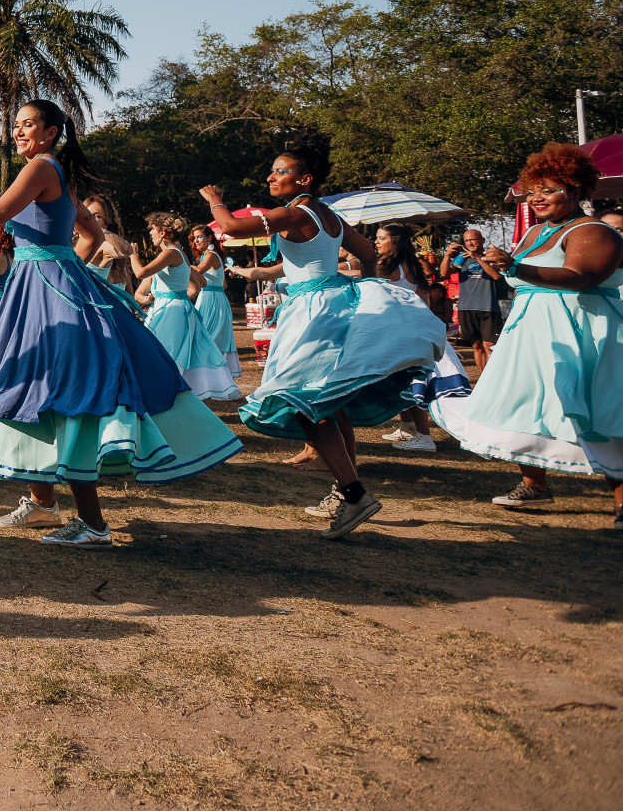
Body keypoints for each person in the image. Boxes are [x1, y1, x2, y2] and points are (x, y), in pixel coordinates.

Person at [0, 102, 239, 545]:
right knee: (35, 383)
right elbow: (89, 235)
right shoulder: (59, 174)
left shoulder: (42, 167)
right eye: (15, 126)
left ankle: (92, 524)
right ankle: (44, 503)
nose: (17, 132)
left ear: (51, 132)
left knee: (63, 388)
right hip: (45, 285)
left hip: (47, 290)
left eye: (27, 124)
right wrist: (71, 268)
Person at [202, 135, 448, 539]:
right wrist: (363, 296)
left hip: (313, 311)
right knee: (329, 402)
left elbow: (229, 227)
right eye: (273, 170)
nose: (272, 177)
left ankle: (354, 495)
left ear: (305, 179)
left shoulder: (295, 212)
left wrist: (214, 199)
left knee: (300, 400)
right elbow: (368, 253)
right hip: (332, 302)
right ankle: (343, 488)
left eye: (281, 171)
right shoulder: (327, 213)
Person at [434, 145, 623, 519]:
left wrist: (518, 268)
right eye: (533, 190)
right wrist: (500, 265)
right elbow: (512, 275)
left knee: (591, 410)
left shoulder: (594, 230)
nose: (537, 197)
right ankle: (534, 485)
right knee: (521, 404)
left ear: (575, 189)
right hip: (531, 329)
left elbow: (582, 276)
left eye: (549, 189)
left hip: (580, 330)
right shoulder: (536, 230)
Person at [374, 222, 470, 453]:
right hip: (414, 327)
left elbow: (362, 278)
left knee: (409, 383)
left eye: (381, 238)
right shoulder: (414, 266)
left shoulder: (383, 266)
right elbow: (424, 301)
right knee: (397, 380)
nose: (376, 242)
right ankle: (408, 426)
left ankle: (424, 437)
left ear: (395, 241)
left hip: (399, 331)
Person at [129, 213, 238, 400]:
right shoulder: (177, 253)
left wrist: (132, 254)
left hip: (173, 311)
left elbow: (140, 272)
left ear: (163, 233)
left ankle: (167, 393)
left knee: (166, 352)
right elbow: (196, 286)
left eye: (152, 231)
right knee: (166, 351)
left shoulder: (171, 252)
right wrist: (175, 297)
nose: (150, 235)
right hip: (172, 307)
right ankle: (168, 393)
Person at [440, 229, 506, 372]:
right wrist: (447, 255)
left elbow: (496, 276)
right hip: (467, 307)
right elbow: (444, 273)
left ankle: (493, 377)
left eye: (473, 240)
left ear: (482, 240)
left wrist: (477, 258)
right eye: (467, 241)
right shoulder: (461, 258)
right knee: (476, 345)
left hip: (488, 307)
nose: (470, 243)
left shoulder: (490, 256)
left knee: (490, 345)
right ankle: (483, 381)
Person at [186, 223, 241, 381]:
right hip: (207, 297)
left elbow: (199, 270)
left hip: (213, 301)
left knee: (210, 336)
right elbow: (223, 283)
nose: (196, 241)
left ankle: (217, 377)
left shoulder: (211, 255)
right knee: (205, 335)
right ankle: (209, 376)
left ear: (209, 238)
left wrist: (179, 263)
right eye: (194, 238)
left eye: (199, 237)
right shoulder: (207, 255)